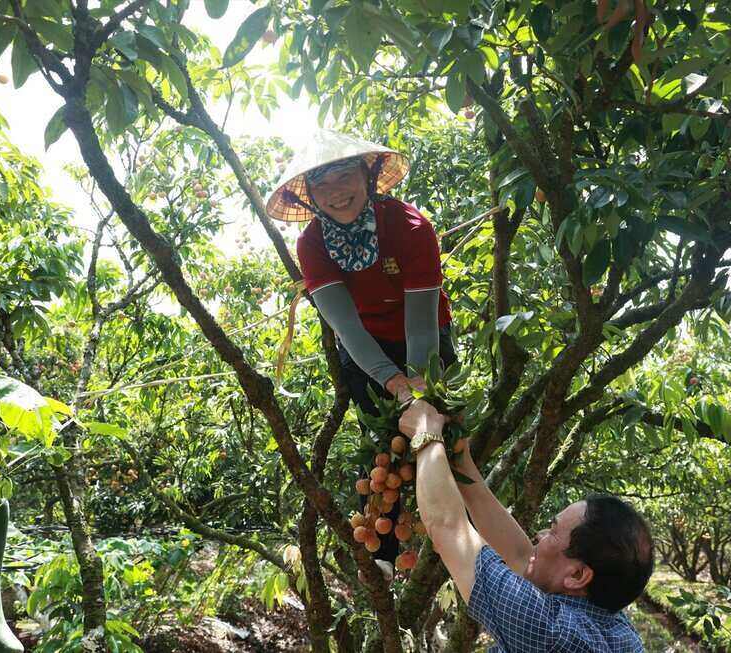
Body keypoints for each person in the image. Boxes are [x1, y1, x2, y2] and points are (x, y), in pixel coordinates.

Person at [266, 130, 456, 578]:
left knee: (437, 433)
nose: (335, 192)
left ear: (368, 176)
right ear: (309, 197)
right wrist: (391, 382)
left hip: (425, 338)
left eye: (344, 176)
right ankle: (383, 553)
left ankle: (451, 538)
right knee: (384, 443)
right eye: (321, 185)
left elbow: (421, 324)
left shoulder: (410, 228)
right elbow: (346, 326)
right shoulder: (313, 244)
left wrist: (418, 387)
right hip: (365, 343)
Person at [399, 400, 653, 652]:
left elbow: (447, 527)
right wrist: (459, 460)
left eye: (553, 532)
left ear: (577, 576)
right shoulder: (613, 628)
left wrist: (425, 433)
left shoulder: (549, 634)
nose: (539, 535)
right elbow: (520, 556)